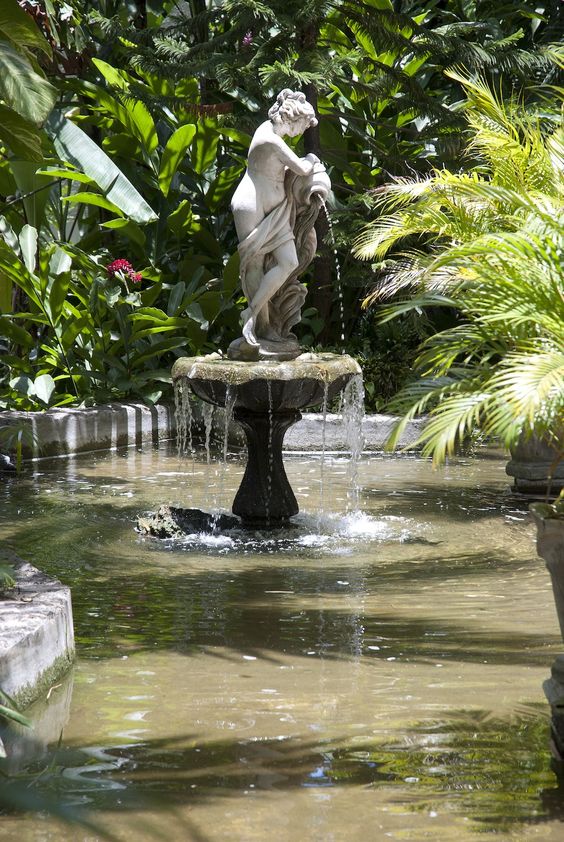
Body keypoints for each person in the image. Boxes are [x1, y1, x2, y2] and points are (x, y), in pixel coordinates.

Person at [229, 89, 329, 359]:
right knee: (255, 265)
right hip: (252, 204)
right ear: (292, 117)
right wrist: (311, 159)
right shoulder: (269, 138)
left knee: (289, 262)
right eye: (302, 125)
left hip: (275, 209)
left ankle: (251, 312)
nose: (301, 132)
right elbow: (301, 168)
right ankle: (262, 328)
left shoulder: (272, 133)